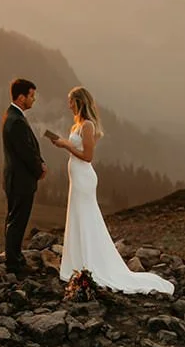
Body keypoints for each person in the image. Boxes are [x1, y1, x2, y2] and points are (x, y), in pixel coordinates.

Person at [47, 86, 173, 295]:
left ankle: (89, 264)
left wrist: (65, 145)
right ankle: (77, 264)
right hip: (77, 178)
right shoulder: (76, 125)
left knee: (86, 217)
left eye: (71, 101)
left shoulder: (87, 125)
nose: (68, 105)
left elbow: (87, 156)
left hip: (84, 178)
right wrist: (66, 143)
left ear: (79, 102)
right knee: (78, 217)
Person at [1, 77, 45, 275]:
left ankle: (14, 257)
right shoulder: (16, 121)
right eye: (31, 96)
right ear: (21, 97)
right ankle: (14, 262)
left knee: (15, 218)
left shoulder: (13, 116)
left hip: (16, 178)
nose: (33, 100)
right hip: (20, 179)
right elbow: (25, 151)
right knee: (17, 220)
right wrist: (39, 169)